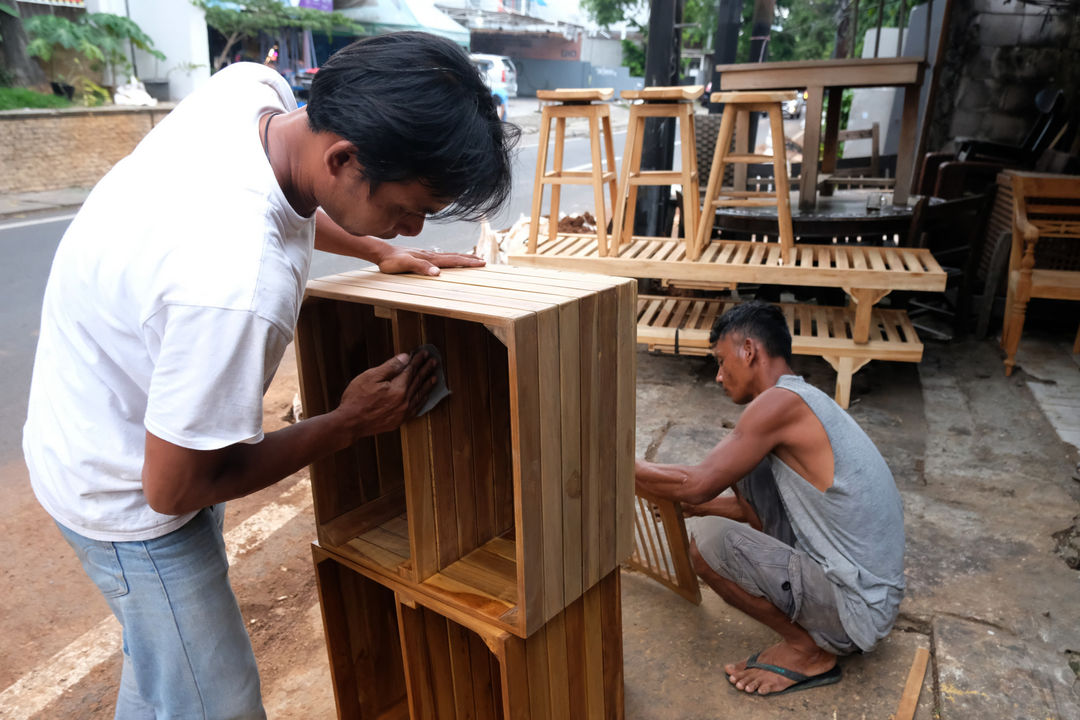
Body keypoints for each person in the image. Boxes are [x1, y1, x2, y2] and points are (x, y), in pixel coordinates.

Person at [23, 32, 517, 718]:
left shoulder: (253, 96)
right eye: (405, 211)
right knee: (217, 703)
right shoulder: (237, 284)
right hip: (122, 489)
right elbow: (175, 490)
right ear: (344, 158)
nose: (409, 232)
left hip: (98, 402)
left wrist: (372, 245)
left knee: (162, 663)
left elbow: (293, 201)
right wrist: (347, 423)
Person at [635, 302, 905, 697]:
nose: (718, 375)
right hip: (869, 593)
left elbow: (698, 483)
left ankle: (807, 651)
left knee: (707, 544)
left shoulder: (778, 405)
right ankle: (808, 623)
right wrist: (698, 505)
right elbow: (740, 504)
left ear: (749, 351)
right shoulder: (800, 398)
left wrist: (614, 460)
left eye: (722, 360)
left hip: (857, 611)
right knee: (748, 469)